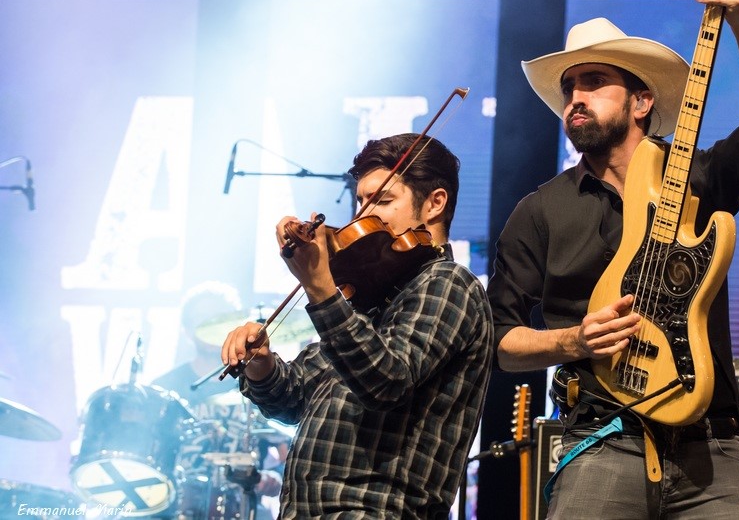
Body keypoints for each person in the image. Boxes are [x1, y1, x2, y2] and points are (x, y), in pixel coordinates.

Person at [488, 0, 739, 518]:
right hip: (599, 440)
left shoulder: (699, 178)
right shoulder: (540, 211)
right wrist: (574, 342)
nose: (575, 98)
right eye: (569, 87)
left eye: (594, 82)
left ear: (642, 101)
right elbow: (500, 339)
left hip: (712, 446)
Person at [220, 133, 493, 519]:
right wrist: (262, 365)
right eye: (361, 201)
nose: (362, 216)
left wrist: (321, 289)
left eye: (382, 200)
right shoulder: (370, 297)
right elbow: (294, 397)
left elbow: (387, 381)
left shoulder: (450, 284)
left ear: (435, 203)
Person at [153, 281, 284, 519]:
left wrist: (275, 477)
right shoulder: (165, 387)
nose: (208, 325)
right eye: (200, 318)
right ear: (186, 329)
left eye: (216, 317)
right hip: (177, 507)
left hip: (245, 506)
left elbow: (287, 447)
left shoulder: (263, 381)